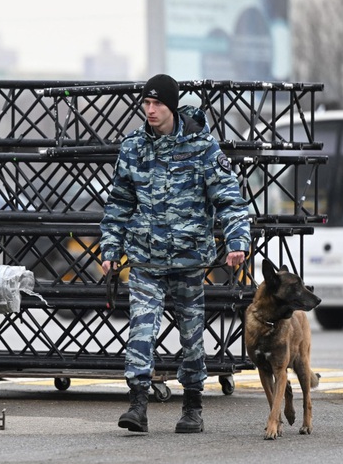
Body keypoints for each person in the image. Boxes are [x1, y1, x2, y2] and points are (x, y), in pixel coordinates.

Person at [100, 73, 250, 434]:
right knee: (141, 328)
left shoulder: (202, 146)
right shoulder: (133, 147)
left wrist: (237, 242)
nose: (150, 111)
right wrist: (110, 248)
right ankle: (137, 404)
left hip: (188, 260)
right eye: (146, 104)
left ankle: (192, 406)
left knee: (191, 336)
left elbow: (228, 198)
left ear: (172, 106)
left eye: (157, 104)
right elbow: (119, 203)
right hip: (146, 259)